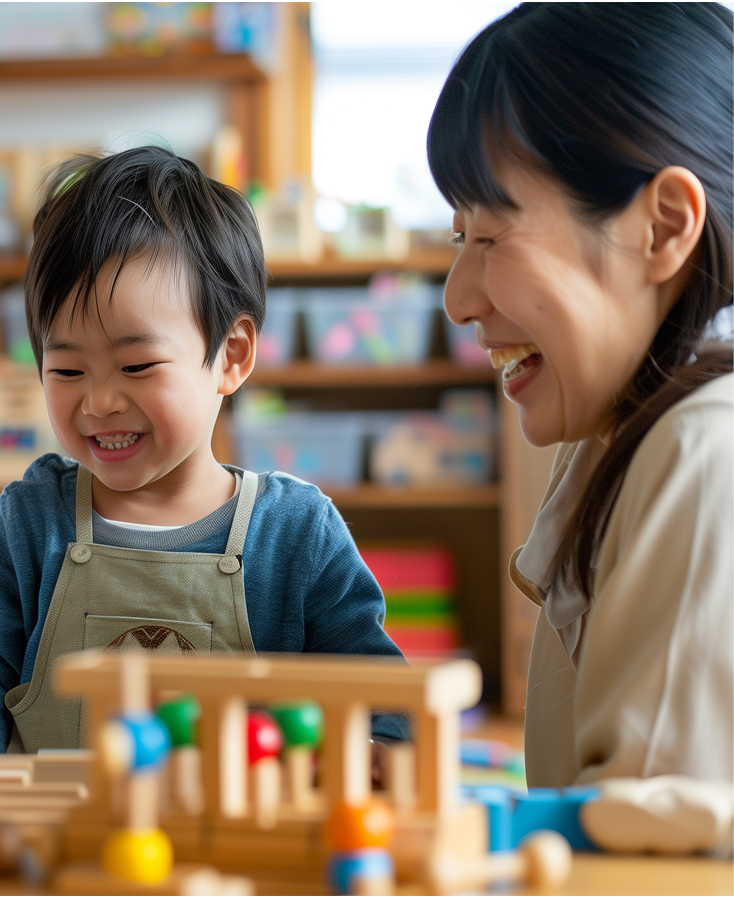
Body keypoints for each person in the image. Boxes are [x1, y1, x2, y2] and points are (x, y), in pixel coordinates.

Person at [0, 145, 406, 753]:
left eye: (137, 366)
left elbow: (383, 706)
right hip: (64, 818)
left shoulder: (295, 535)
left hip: (239, 819)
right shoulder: (28, 525)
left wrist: (373, 751)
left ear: (232, 356)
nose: (100, 402)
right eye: (67, 371)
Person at [428, 1, 734, 786]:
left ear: (663, 227)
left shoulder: (706, 449)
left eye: (490, 236)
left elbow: (648, 837)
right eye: (459, 237)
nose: (457, 299)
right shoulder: (625, 431)